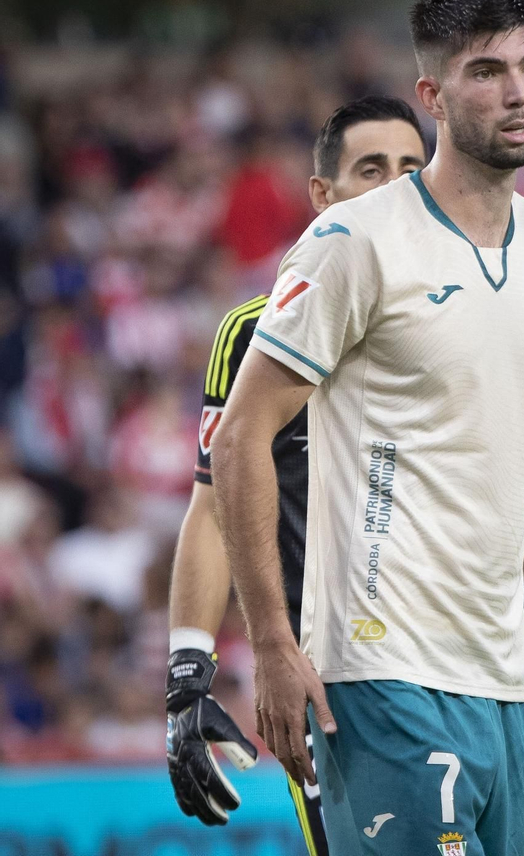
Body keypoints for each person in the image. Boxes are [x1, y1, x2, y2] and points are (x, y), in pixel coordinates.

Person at [211, 0, 524, 856]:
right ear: (431, 95)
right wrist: (271, 642)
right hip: (379, 672)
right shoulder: (356, 240)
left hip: (502, 680)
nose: (517, 92)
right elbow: (240, 437)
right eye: (487, 71)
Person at [164, 95, 425, 847]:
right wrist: (189, 676)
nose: (393, 187)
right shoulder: (255, 331)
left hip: (482, 673)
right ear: (323, 195)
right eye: (370, 168)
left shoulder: (478, 314)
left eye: (412, 169)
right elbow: (212, 508)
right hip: (340, 686)